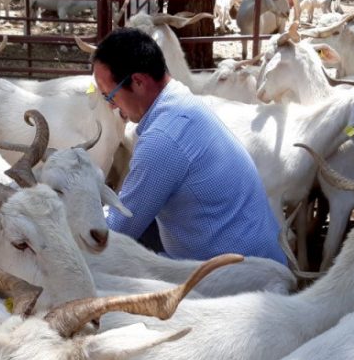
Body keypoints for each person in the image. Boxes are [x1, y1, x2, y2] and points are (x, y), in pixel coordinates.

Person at [92, 28, 286, 265]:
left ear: (139, 82)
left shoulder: (163, 139)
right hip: (262, 257)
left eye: (109, 95)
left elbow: (116, 231)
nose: (111, 106)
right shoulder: (182, 100)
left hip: (240, 279)